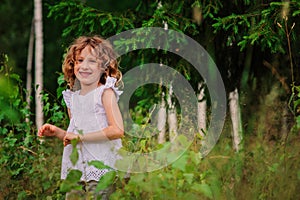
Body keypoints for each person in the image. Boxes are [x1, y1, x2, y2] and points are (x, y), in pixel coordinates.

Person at [38, 35, 124, 199]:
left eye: (92, 61)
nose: (84, 66)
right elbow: (76, 135)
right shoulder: (73, 97)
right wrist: (58, 133)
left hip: (100, 167)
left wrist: (79, 137)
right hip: (76, 169)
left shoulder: (104, 93)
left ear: (103, 67)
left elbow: (117, 130)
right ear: (73, 65)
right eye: (80, 60)